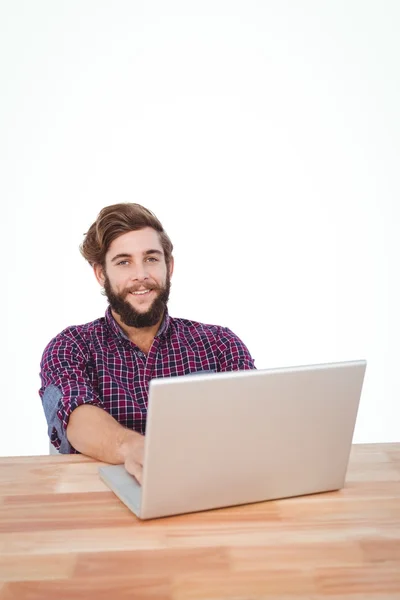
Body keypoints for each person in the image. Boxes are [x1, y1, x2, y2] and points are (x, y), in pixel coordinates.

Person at [39, 203, 255, 483]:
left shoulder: (220, 345)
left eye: (151, 259)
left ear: (169, 267)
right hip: (101, 503)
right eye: (123, 262)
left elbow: (251, 425)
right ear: (101, 274)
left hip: (205, 491)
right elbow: (75, 415)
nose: (140, 275)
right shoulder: (70, 346)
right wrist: (135, 449)